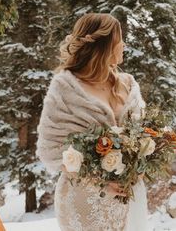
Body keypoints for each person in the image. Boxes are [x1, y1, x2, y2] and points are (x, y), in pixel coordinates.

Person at [36, 12, 149, 231]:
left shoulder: (127, 84)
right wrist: (101, 181)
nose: (124, 44)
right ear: (103, 45)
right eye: (119, 39)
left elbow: (145, 133)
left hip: (129, 196)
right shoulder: (65, 87)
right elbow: (51, 150)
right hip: (85, 200)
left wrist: (142, 160)